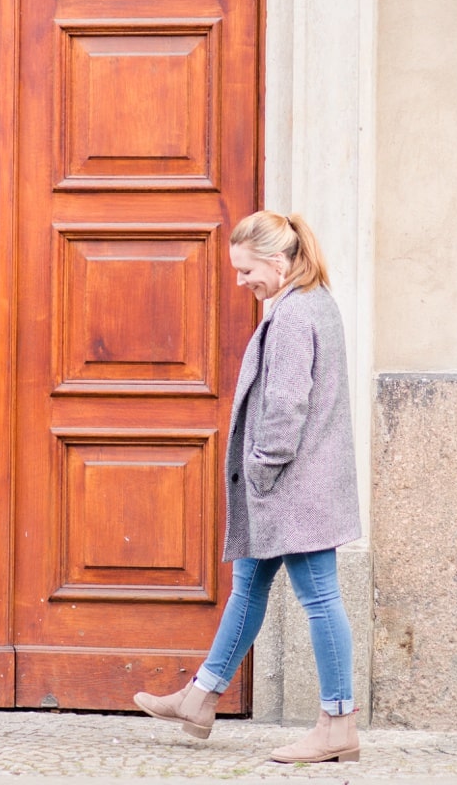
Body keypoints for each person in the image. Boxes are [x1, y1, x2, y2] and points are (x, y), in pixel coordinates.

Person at [133, 211, 362, 763]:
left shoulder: (292, 315)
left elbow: (286, 405)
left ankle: (338, 722)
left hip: (291, 486)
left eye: (247, 270)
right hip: (299, 484)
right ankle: (201, 697)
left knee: (320, 596)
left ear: (279, 263)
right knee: (248, 587)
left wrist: (260, 469)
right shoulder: (314, 302)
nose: (241, 282)